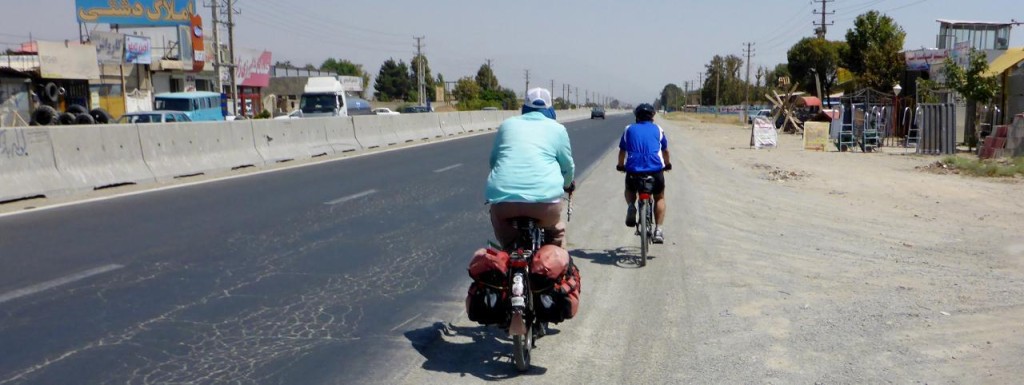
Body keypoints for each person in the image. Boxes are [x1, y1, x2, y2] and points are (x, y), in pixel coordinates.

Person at [486, 87, 575, 248]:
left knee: (507, 247)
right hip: (545, 205)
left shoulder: (507, 125)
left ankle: (508, 260)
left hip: (504, 204)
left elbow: (493, 162)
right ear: (549, 110)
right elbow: (567, 167)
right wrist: (567, 185)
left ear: (525, 108)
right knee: (556, 235)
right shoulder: (557, 129)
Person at [616, 103, 671, 243]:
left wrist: (620, 165)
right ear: (652, 116)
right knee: (659, 197)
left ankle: (631, 206)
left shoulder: (628, 129)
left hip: (634, 171)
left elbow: (622, 151)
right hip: (655, 170)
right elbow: (665, 151)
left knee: (629, 189)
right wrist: (667, 164)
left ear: (636, 116)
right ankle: (658, 229)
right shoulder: (658, 129)